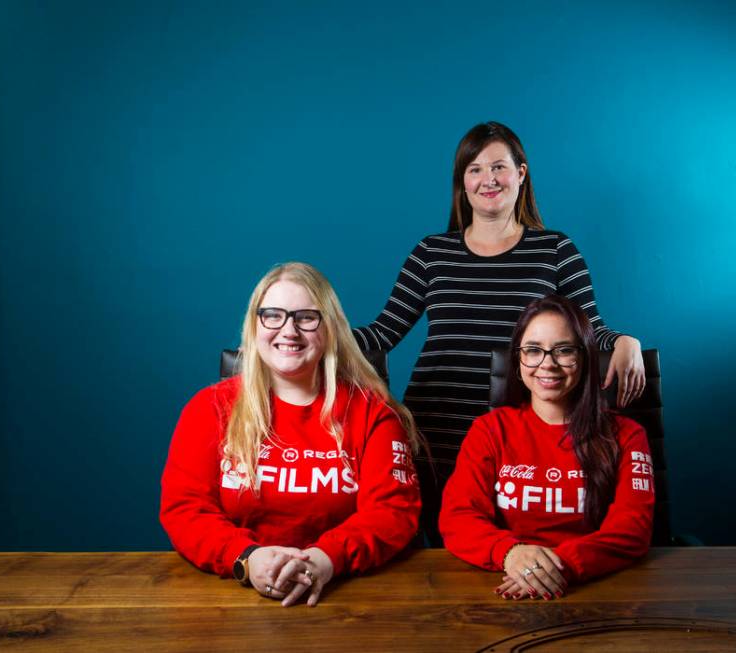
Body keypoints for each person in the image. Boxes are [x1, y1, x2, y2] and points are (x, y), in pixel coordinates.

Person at [353, 121, 645, 542]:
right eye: (474, 169)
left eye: (499, 167)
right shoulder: (430, 253)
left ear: (521, 174)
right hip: (435, 432)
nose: (487, 179)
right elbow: (382, 333)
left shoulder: (556, 251)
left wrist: (624, 341)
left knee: (507, 555)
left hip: (516, 439)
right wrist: (312, 333)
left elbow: (588, 330)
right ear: (462, 183)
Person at [160, 262, 422, 607]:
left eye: (306, 317)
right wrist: (248, 558)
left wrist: (323, 559)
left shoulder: (373, 412)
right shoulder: (209, 409)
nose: (289, 330)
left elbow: (393, 510)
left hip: (349, 593)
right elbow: (185, 509)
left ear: (330, 329)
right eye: (273, 315)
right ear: (255, 327)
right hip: (231, 594)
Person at [439, 295, 654, 599]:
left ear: (585, 357)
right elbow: (457, 517)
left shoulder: (627, 435)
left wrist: (554, 567)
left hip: (598, 588)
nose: (547, 364)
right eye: (533, 350)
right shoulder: (489, 430)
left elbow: (631, 530)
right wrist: (510, 553)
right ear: (518, 359)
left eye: (564, 350)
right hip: (501, 584)